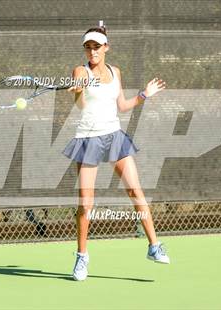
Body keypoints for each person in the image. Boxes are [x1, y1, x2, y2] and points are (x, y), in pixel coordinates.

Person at [63, 21, 169, 281]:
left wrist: (144, 94)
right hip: (89, 139)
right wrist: (77, 93)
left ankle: (154, 246)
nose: (92, 51)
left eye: (96, 46)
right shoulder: (80, 70)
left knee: (136, 191)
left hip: (114, 137)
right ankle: (81, 258)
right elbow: (80, 103)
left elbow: (122, 105)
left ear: (106, 47)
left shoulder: (115, 72)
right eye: (88, 47)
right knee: (86, 204)